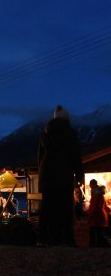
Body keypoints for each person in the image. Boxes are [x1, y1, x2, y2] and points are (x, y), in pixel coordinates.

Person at [37, 105, 84, 247]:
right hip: (64, 173)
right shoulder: (70, 134)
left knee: (48, 208)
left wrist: (41, 177)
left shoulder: (45, 135)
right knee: (65, 207)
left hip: (47, 175)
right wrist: (79, 175)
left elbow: (40, 158)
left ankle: (45, 238)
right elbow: (76, 156)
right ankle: (68, 239)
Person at [88, 180, 110, 247]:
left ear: (92, 185)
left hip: (96, 217)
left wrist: (90, 216)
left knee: (95, 233)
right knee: (100, 233)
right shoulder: (101, 195)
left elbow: (95, 207)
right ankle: (104, 245)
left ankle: (95, 246)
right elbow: (104, 206)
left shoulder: (95, 195)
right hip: (101, 216)